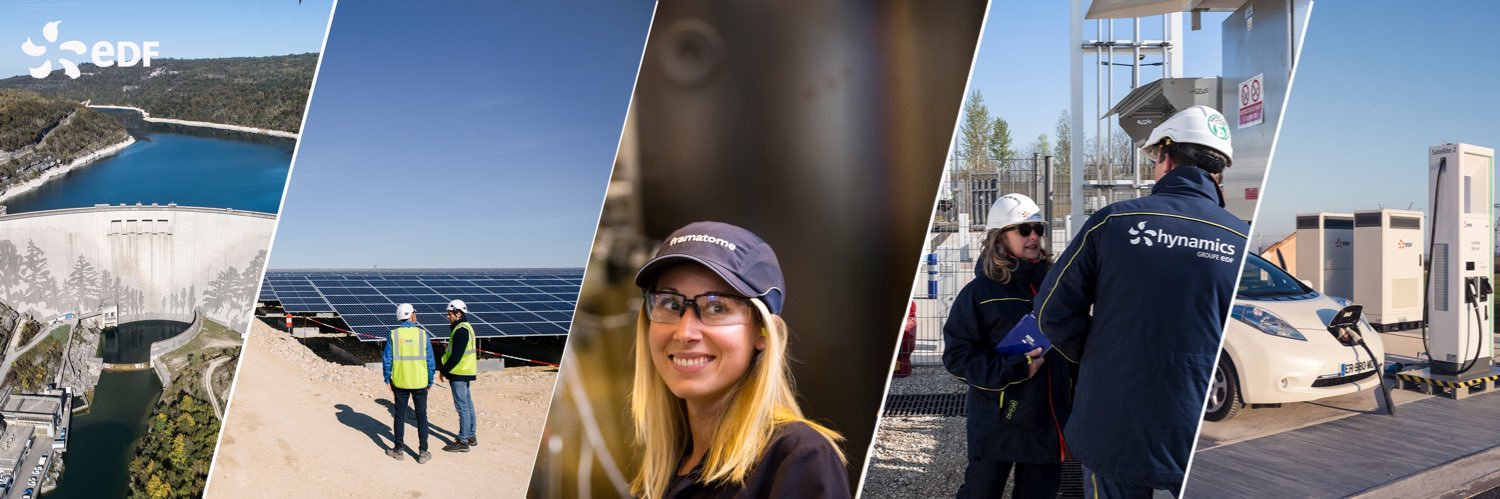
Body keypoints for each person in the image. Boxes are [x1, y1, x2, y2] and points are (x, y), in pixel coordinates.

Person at [1034, 105, 1248, 497]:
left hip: (1113, 423)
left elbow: (1050, 313)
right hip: (1193, 429)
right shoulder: (1240, 239)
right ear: (1219, 173)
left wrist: (1099, 353)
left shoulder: (1113, 222)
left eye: (1153, 158)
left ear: (1166, 157)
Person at [630, 221, 850, 499]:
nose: (685, 332)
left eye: (717, 307)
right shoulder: (664, 473)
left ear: (763, 332)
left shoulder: (797, 458)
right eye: (671, 305)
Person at [943, 193, 1072, 498]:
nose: (1033, 237)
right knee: (981, 491)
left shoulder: (1057, 287)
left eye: (1038, 229)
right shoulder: (979, 294)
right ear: (999, 238)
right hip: (998, 420)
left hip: (1047, 420)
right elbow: (958, 357)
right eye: (1024, 230)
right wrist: (1015, 369)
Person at [383, 303, 436, 464]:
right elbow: (430, 360)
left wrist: (387, 378)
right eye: (414, 313)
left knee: (399, 415)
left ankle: (398, 450)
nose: (416, 315)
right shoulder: (423, 335)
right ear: (410, 315)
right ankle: (423, 452)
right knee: (421, 416)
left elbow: (387, 359)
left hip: (400, 382)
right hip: (420, 382)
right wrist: (430, 379)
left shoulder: (394, 335)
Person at [438, 299, 479, 452]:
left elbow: (456, 355)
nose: (448, 317)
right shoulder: (465, 327)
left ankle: (463, 441)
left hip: (459, 373)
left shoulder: (461, 330)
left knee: (462, 406)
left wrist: (444, 370)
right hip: (465, 372)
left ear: (458, 313)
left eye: (450, 314)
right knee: (467, 404)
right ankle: (471, 435)